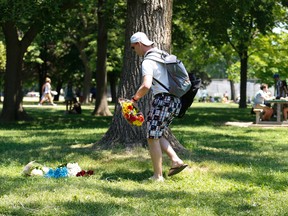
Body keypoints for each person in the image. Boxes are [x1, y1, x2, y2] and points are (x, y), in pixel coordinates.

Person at [130, 32, 188, 182]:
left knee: (151, 137)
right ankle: (176, 160)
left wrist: (135, 98)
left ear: (140, 44)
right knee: (156, 133)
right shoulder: (162, 54)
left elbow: (146, 85)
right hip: (175, 101)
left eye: (133, 47)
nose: (133, 51)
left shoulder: (148, 61)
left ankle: (157, 176)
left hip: (163, 100)